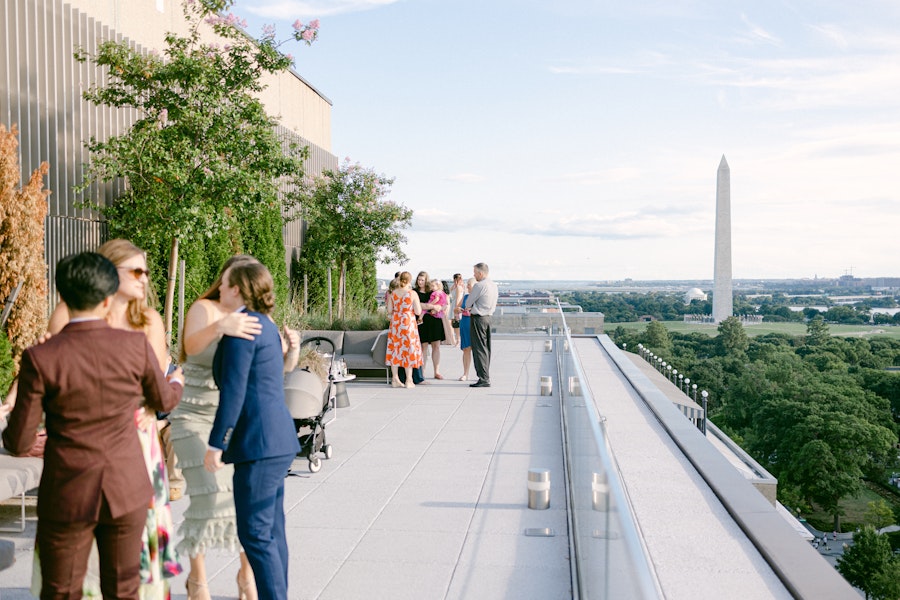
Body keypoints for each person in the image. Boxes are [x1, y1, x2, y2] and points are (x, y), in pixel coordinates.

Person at [2, 251, 184, 598]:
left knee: (61, 590)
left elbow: (18, 441)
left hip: (67, 491)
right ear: (107, 299)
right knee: (124, 589)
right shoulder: (134, 346)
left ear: (63, 297)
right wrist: (176, 381)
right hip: (127, 488)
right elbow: (163, 402)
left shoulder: (40, 357)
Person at [169, 255, 278, 600]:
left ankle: (246, 577)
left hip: (232, 419)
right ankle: (198, 581)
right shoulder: (204, 308)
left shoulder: (255, 317)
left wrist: (287, 350)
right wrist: (221, 326)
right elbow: (189, 348)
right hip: (192, 414)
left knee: (241, 500)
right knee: (207, 494)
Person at [204, 261, 301, 600]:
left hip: (258, 444)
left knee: (256, 534)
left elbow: (234, 391)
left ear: (237, 289)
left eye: (224, 283)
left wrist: (216, 443)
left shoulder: (241, 330)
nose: (218, 288)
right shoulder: (264, 325)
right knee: (273, 531)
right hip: (277, 439)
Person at [385, 271, 424, 388]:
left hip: (396, 323)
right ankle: (409, 380)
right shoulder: (412, 294)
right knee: (408, 349)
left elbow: (389, 310)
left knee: (395, 349)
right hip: (408, 322)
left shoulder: (393, 294)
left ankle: (395, 379)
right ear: (409, 281)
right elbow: (418, 311)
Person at [465, 262, 499, 388]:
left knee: (479, 348)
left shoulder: (479, 285)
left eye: (475, 272)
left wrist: (470, 306)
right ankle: (485, 376)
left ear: (481, 273)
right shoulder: (494, 285)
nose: (474, 275)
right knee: (486, 348)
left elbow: (468, 302)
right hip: (488, 317)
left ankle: (483, 378)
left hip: (478, 318)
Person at [457, 278, 476, 381]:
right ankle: (465, 373)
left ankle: (480, 374)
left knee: (477, 350)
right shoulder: (465, 297)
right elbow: (456, 308)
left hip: (474, 324)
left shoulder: (478, 298)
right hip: (464, 323)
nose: (467, 286)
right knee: (466, 349)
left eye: (469, 284)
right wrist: (459, 309)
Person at [449, 273, 465, 345]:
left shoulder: (459, 287)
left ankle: (458, 339)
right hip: (454, 304)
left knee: (457, 323)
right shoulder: (457, 287)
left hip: (456, 304)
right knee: (454, 323)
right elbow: (450, 290)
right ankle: (458, 339)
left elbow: (458, 298)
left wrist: (456, 309)